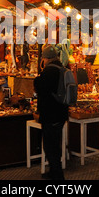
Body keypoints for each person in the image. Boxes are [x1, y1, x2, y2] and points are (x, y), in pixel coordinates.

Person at [34, 44, 69, 180]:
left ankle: (57, 175)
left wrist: (37, 79)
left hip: (50, 114)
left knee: (50, 146)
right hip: (61, 113)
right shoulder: (62, 69)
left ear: (45, 58)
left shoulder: (48, 72)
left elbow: (40, 87)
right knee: (55, 144)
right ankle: (54, 172)